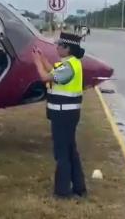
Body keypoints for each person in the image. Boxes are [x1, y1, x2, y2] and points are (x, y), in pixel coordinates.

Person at [32, 32, 87, 199]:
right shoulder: (71, 63)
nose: (56, 47)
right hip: (68, 114)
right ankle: (79, 188)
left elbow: (44, 76)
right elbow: (52, 70)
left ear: (67, 48)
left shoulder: (68, 67)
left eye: (59, 45)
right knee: (71, 150)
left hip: (63, 114)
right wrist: (41, 58)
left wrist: (36, 63)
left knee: (61, 152)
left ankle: (63, 191)